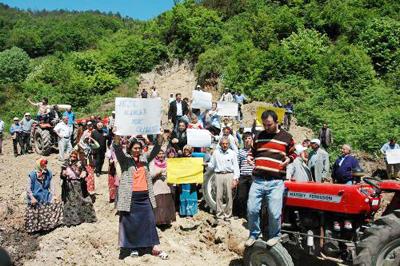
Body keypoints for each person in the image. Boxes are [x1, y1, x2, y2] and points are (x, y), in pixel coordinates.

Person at [113, 132, 168, 260]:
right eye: (135, 148)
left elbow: (156, 149)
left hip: (144, 197)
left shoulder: (145, 159)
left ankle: (153, 246)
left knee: (149, 221)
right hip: (130, 197)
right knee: (131, 223)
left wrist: (159, 134)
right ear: (130, 148)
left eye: (139, 148)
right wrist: (116, 134)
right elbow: (117, 148)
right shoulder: (124, 160)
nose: (137, 150)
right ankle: (133, 248)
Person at [246, 110, 296, 247]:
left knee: (274, 213)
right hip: (258, 180)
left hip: (276, 182)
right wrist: (250, 157)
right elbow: (252, 151)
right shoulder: (259, 136)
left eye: (269, 125)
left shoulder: (287, 137)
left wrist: (289, 159)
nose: (266, 127)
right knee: (252, 209)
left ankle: (275, 236)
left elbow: (294, 153)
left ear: (277, 122)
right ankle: (254, 233)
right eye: (264, 125)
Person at [25, 158, 63, 233]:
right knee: (34, 209)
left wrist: (53, 195)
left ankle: (50, 225)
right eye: (43, 164)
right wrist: (32, 198)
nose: (45, 166)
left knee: (57, 203)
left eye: (46, 164)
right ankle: (35, 229)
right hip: (35, 196)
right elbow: (28, 189)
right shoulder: (32, 175)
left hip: (45, 195)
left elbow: (52, 186)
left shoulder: (48, 173)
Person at [61, 151, 97, 226]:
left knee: (82, 201)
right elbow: (62, 175)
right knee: (71, 203)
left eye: (74, 157)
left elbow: (85, 172)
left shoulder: (80, 163)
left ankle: (84, 218)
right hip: (69, 186)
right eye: (71, 156)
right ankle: (71, 221)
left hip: (79, 185)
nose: (73, 158)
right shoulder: (66, 164)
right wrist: (63, 174)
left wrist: (84, 174)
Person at [208, 138, 240, 220]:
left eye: (226, 144)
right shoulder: (216, 153)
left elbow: (236, 166)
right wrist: (205, 164)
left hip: (229, 175)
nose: (225, 145)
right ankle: (219, 214)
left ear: (229, 144)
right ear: (220, 144)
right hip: (218, 175)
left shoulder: (232, 153)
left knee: (229, 195)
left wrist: (235, 178)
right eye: (223, 143)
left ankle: (228, 214)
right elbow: (212, 164)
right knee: (218, 196)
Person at [150, 149, 176, 226]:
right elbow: (150, 175)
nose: (161, 155)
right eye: (159, 154)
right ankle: (158, 222)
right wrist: (159, 171)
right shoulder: (152, 163)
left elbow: (174, 171)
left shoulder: (168, 162)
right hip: (157, 186)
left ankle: (166, 221)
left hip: (167, 186)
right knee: (159, 203)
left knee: (166, 203)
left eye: (162, 153)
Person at [234, 132, 254, 218]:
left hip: (253, 176)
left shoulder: (255, 151)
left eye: (249, 138)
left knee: (252, 197)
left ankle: (249, 215)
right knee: (241, 196)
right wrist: (236, 177)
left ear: (252, 140)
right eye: (245, 139)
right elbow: (237, 165)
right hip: (243, 176)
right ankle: (240, 214)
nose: (247, 140)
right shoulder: (240, 152)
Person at [179, 145, 199, 218]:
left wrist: (197, 179)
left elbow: (197, 170)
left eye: (188, 150)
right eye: (185, 150)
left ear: (190, 151)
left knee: (191, 195)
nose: (186, 151)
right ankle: (184, 212)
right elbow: (178, 170)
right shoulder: (180, 160)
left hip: (191, 181)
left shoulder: (194, 160)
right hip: (183, 181)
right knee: (184, 195)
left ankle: (191, 212)